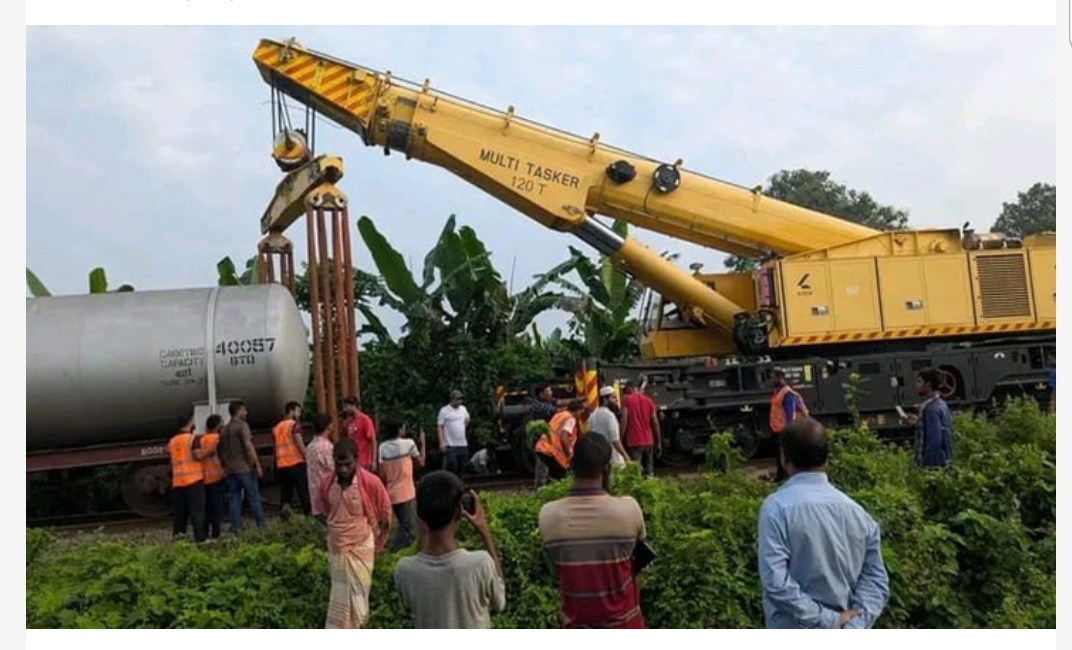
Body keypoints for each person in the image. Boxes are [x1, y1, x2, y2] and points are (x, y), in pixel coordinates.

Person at [757, 416, 890, 629]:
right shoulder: (858, 513)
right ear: (826, 457)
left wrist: (829, 620)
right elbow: (875, 581)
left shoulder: (776, 509)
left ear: (784, 458)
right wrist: (853, 626)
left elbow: (775, 582)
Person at [538, 433, 648, 628]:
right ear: (607, 468)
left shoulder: (548, 515)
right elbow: (639, 561)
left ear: (572, 464)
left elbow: (555, 570)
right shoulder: (629, 509)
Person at [393, 471, 506, 628]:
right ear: (459, 511)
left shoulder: (404, 569)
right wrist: (485, 533)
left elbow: (408, 608)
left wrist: (421, 535)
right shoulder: (480, 563)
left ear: (419, 514)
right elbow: (500, 602)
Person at [312, 437, 393, 629]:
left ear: (357, 460)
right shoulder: (326, 484)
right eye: (339, 465)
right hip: (337, 547)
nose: (343, 469)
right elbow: (323, 511)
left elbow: (386, 512)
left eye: (347, 464)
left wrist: (380, 540)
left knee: (359, 597)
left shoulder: (371, 482)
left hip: (361, 547)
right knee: (338, 594)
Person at [378, 416, 426, 552]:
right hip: (407, 493)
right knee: (408, 529)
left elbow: (381, 473)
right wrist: (422, 442)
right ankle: (394, 550)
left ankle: (393, 549)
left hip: (391, 492)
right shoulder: (408, 444)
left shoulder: (382, 447)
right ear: (399, 430)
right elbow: (421, 462)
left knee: (400, 525)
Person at [217, 400, 266, 533]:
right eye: (244, 410)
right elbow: (248, 446)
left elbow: (220, 451)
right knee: (253, 496)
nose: (246, 412)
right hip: (244, 467)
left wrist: (224, 465)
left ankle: (236, 527)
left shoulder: (224, 430)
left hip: (230, 469)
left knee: (234, 497)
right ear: (238, 411)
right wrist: (257, 464)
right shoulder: (242, 426)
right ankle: (261, 526)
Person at [169, 414, 207, 543]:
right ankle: (200, 539)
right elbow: (197, 455)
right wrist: (207, 452)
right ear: (189, 423)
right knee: (197, 512)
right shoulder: (192, 439)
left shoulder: (172, 441)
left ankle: (178, 540)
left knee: (180, 515)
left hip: (178, 482)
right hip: (194, 480)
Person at [905, 367, 953, 469]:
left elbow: (934, 440)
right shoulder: (941, 404)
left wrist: (926, 466)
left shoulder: (930, 409)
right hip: (944, 460)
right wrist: (918, 421)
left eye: (919, 381)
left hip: (934, 465)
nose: (916, 385)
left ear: (928, 384)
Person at [768, 368, 809, 482]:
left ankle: (784, 476)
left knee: (784, 452)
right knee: (779, 452)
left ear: (779, 377)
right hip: (776, 427)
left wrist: (789, 428)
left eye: (773, 377)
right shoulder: (777, 391)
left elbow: (790, 412)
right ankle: (780, 476)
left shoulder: (787, 393)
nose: (771, 380)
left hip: (783, 428)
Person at [534, 400, 586, 486]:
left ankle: (543, 493)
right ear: (576, 410)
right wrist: (568, 454)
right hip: (552, 452)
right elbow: (563, 436)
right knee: (560, 477)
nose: (580, 416)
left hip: (542, 447)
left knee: (549, 478)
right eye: (580, 412)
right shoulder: (570, 418)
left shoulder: (559, 415)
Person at [273, 401, 311, 516]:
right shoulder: (294, 425)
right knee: (303, 492)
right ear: (291, 411)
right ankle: (308, 515)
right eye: (298, 411)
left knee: (286, 494)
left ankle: (286, 518)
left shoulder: (277, 427)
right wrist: (307, 456)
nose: (299, 415)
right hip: (296, 463)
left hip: (281, 465)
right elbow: (298, 442)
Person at [620, 382, 660, 477]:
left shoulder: (627, 400)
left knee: (635, 470)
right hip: (648, 440)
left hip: (634, 440)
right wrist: (658, 442)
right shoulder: (649, 400)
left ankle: (637, 488)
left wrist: (620, 439)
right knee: (649, 469)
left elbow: (624, 421)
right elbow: (655, 423)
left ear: (630, 388)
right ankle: (650, 486)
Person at [587, 386, 629, 469]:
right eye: (613, 398)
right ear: (605, 399)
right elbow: (615, 441)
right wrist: (626, 456)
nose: (616, 401)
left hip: (599, 457)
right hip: (613, 457)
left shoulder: (592, 415)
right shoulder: (610, 416)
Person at [199, 414, 226, 539]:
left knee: (206, 507)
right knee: (216, 506)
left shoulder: (202, 439)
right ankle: (216, 532)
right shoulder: (217, 438)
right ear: (218, 426)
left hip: (203, 477)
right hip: (216, 476)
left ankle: (204, 531)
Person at [306, 412, 335, 517]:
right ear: (329, 426)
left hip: (314, 493)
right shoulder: (326, 447)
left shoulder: (310, 447)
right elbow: (333, 469)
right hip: (327, 493)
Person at [437, 390, 471, 476]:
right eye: (457, 399)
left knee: (463, 466)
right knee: (452, 465)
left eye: (460, 399)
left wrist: (462, 428)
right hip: (450, 444)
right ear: (452, 399)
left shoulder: (463, 409)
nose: (459, 401)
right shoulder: (444, 410)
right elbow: (440, 426)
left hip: (462, 443)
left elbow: (467, 420)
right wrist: (441, 442)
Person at [341, 396, 378, 473]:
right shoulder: (348, 421)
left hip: (364, 460)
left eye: (347, 407)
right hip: (352, 459)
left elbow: (373, 440)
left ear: (354, 406)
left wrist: (373, 460)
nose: (345, 409)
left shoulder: (365, 420)